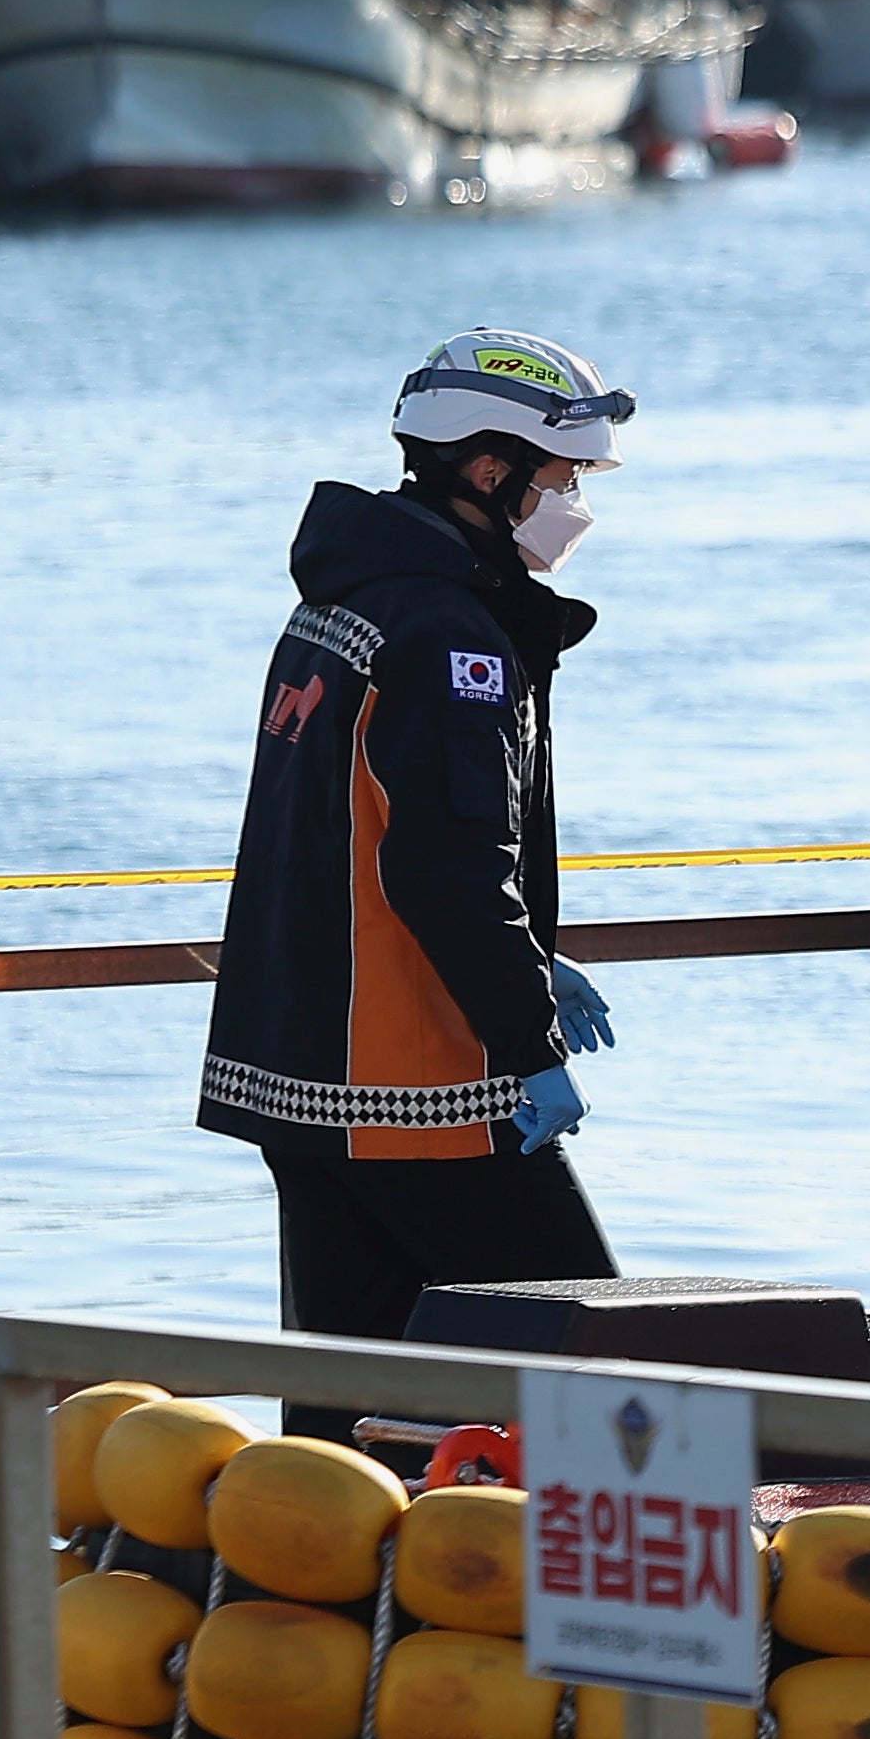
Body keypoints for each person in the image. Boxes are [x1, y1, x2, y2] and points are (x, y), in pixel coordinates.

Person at [198, 330, 635, 1356]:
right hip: (414, 1087)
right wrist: (528, 1045)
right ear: (490, 469)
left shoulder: (346, 600)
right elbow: (447, 869)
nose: (574, 502)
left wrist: (529, 951)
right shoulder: (450, 636)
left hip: (296, 1071)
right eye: (561, 475)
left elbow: (352, 838)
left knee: (356, 1406)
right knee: (596, 1360)